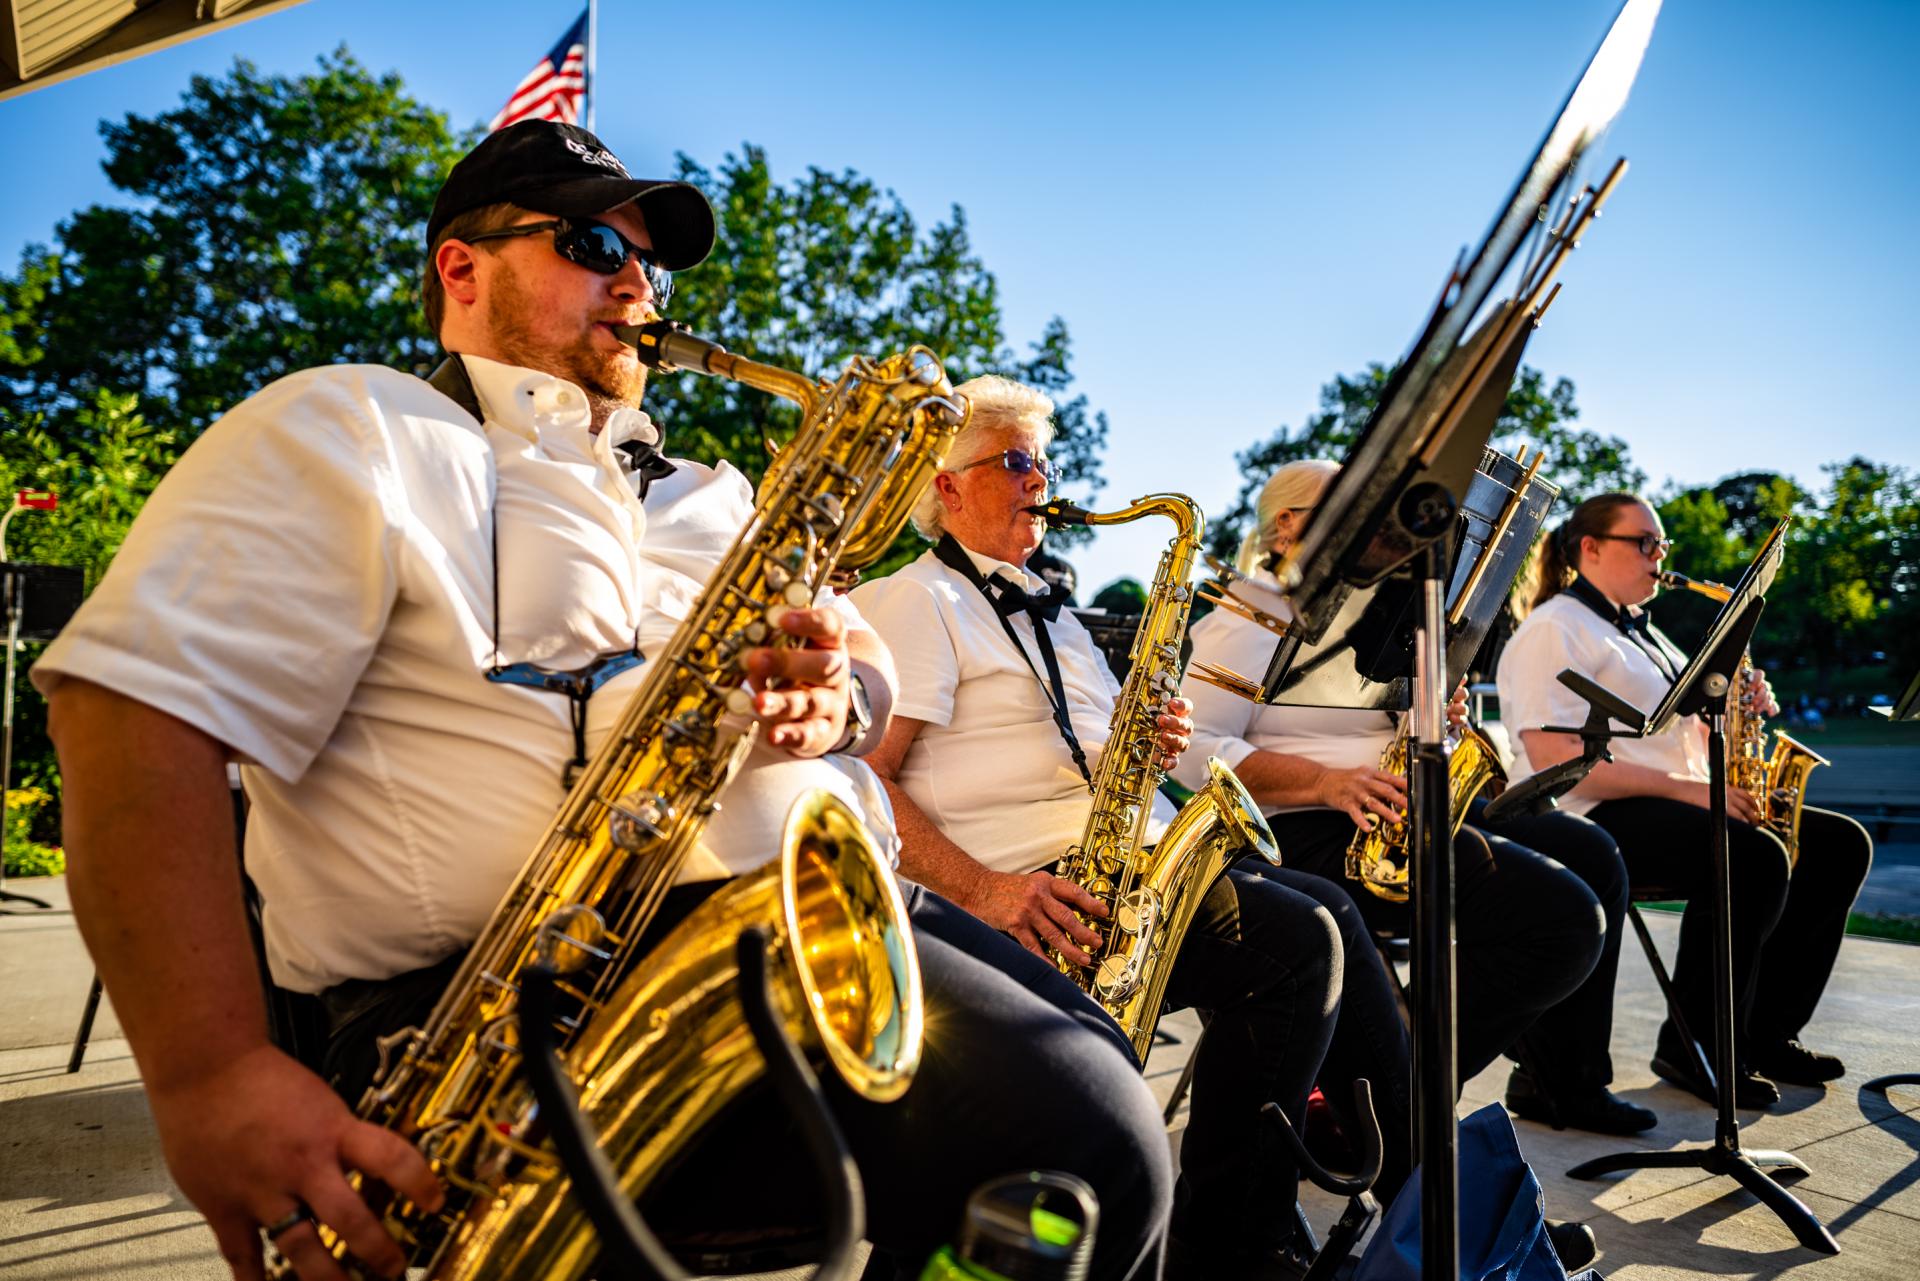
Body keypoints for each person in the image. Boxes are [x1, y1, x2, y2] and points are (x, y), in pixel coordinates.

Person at [37, 122, 1171, 1281]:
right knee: (1089, 1155)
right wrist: (208, 1075)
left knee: (1095, 1121)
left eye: (653, 264)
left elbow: (870, 681)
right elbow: (130, 710)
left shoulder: (714, 489)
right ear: (461, 269)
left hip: (815, 927)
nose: (639, 284)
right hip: (511, 1009)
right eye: (591, 244)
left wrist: (834, 698)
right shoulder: (358, 424)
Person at [851, 377, 1343, 1281]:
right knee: (1297, 943)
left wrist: (1149, 742)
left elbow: (1092, 755)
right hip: (1028, 887)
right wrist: (987, 893)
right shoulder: (915, 600)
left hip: (1115, 860)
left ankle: (1261, 1220)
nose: (1041, 477)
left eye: (1043, 458)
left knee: (1319, 919)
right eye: (1015, 460)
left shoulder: (1057, 611)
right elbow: (866, 779)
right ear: (947, 486)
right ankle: (1235, 1238)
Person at [1178, 460, 1633, 1144]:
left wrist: (1433, 721)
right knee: (1562, 919)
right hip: (1303, 827)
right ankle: (1395, 1100)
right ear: (1287, 526)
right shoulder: (1252, 610)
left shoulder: (1374, 614)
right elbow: (1194, 750)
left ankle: (1394, 1087)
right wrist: (1328, 783)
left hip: (1390, 808)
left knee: (1588, 853)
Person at [1495, 491, 1871, 1105]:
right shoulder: (1554, 628)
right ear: (1590, 548)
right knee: (1750, 855)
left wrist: (1735, 710)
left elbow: (1677, 732)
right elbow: (1559, 763)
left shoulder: (1645, 633)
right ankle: (1697, 1048)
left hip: (1670, 801)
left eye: (1661, 544)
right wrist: (1694, 792)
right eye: (1644, 542)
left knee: (1837, 846)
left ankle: (1764, 1033)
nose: (1659, 555)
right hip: (1590, 813)